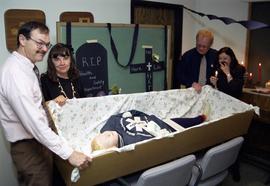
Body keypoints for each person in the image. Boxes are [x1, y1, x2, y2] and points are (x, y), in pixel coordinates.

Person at [0, 21, 91, 186]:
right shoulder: (16, 74)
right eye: (39, 43)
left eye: (46, 45)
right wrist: (69, 153)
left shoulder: (27, 68)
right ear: (22, 40)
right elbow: (34, 122)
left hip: (41, 142)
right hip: (30, 147)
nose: (44, 49)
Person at [91, 109, 208, 151]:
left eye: (104, 134)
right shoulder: (131, 142)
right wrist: (162, 131)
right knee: (187, 126)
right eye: (108, 137)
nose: (107, 134)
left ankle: (199, 118)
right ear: (113, 149)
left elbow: (119, 116)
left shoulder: (111, 127)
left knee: (182, 121)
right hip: (165, 128)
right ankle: (201, 119)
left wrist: (144, 116)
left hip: (158, 120)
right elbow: (153, 139)